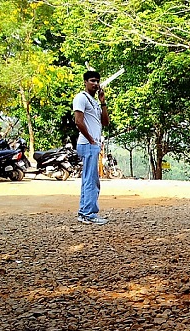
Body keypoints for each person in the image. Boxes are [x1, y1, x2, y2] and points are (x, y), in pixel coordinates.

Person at [73, 70, 110, 225]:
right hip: (87, 143)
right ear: (85, 82)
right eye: (92, 81)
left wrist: (103, 101)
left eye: (97, 81)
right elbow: (78, 121)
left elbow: (106, 122)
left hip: (93, 144)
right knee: (91, 180)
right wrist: (91, 140)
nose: (95, 84)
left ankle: (85, 212)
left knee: (91, 179)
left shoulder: (94, 101)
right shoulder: (81, 98)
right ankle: (88, 214)